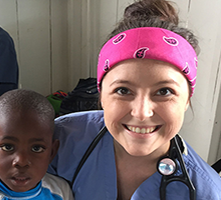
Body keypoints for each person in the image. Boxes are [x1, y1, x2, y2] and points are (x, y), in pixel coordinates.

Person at [48, 0, 221, 199]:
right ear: (102, 95)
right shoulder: (60, 141)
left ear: (187, 100)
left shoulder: (207, 192)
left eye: (164, 91)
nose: (141, 113)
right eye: (123, 90)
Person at [0, 89, 74, 200]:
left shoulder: (60, 191)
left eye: (36, 148)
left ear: (52, 152)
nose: (21, 162)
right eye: (8, 147)